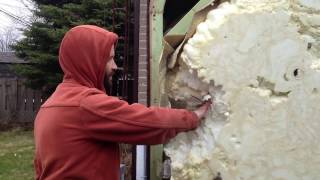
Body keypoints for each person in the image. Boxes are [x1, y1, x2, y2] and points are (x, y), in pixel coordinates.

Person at [34, 25, 211, 180]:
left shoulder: (49, 106)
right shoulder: (84, 104)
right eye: (108, 58)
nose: (114, 66)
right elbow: (143, 121)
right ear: (89, 61)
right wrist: (193, 116)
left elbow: (40, 168)